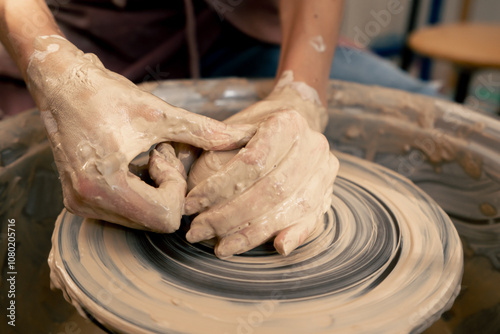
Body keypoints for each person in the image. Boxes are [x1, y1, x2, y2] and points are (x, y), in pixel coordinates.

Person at [0, 0, 434, 258]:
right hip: (74, 29)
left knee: (425, 116)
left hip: (236, 27)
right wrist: (52, 68)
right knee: (24, 185)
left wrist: (303, 95)